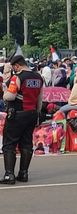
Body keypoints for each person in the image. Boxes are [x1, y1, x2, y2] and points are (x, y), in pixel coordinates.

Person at [1, 55, 43, 184]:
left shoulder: (17, 77)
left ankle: (9, 175)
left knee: (9, 144)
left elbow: (10, 96)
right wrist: (37, 113)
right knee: (26, 143)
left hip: (17, 114)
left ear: (17, 65)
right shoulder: (38, 77)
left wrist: (4, 90)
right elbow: (40, 99)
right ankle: (23, 173)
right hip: (31, 113)